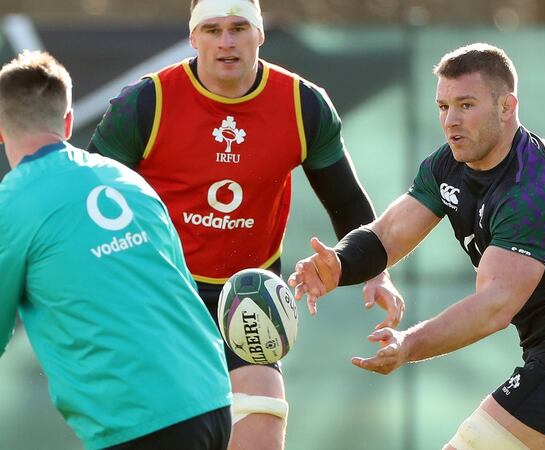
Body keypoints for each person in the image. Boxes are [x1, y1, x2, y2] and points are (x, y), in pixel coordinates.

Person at [290, 43, 545, 450]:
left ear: (507, 106)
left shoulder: (531, 190)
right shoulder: (448, 164)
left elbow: (494, 306)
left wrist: (409, 344)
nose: (451, 121)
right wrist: (338, 264)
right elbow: (388, 233)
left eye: (466, 105)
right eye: (443, 107)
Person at [87, 0, 404, 448]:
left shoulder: (302, 104)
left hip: (248, 297)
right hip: (162, 292)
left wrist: (377, 271)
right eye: (213, 30)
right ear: (194, 38)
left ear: (261, 34)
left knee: (263, 423)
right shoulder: (147, 101)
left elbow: (346, 199)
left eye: (238, 28)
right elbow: (92, 198)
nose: (226, 41)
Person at [0, 50, 232, 450]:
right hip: (211, 398)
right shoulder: (127, 180)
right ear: (68, 122)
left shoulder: (13, 203)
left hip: (141, 422)